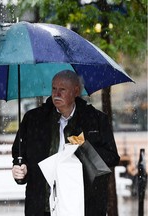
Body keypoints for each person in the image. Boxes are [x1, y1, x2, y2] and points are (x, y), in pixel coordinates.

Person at [11, 70, 120, 216]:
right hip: (42, 206)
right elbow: (20, 155)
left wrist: (85, 147)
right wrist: (20, 170)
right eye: (54, 89)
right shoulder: (33, 119)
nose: (56, 94)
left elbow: (112, 157)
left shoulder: (95, 120)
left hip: (83, 205)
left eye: (62, 89)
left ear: (76, 91)